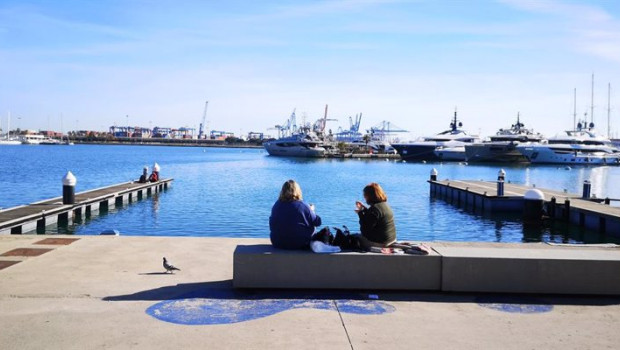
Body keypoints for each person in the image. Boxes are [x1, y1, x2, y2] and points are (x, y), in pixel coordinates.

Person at [270, 180, 322, 250]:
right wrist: (311, 210)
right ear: (297, 191)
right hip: (300, 244)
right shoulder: (303, 205)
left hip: (278, 243)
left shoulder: (276, 205)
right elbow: (318, 222)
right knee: (312, 226)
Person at [355, 182, 396, 249]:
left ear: (369, 196)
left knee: (354, 237)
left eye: (365, 195)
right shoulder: (385, 205)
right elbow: (374, 217)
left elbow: (364, 231)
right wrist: (364, 209)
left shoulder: (374, 210)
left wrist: (360, 213)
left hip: (381, 244)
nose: (364, 198)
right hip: (391, 240)